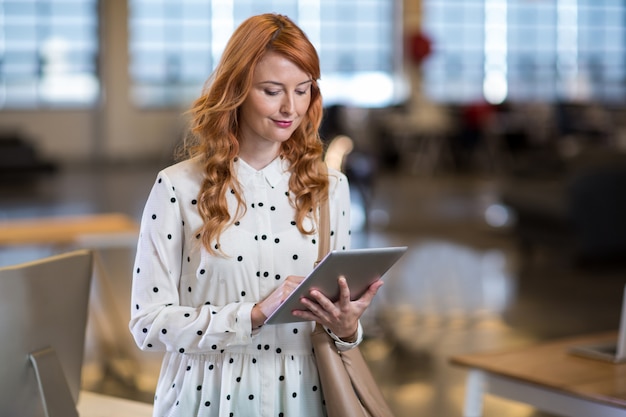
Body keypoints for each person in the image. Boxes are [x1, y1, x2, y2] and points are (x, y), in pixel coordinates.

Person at [129, 13, 383, 417]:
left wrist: (348, 327)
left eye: (303, 91)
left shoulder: (329, 188)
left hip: (306, 396)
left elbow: (338, 325)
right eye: (272, 90)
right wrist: (252, 315)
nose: (290, 107)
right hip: (206, 396)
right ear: (237, 90)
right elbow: (147, 325)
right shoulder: (177, 188)